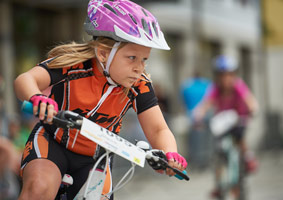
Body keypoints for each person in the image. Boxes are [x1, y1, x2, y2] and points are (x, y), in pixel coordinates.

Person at [14, 1, 187, 199]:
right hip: (53, 143)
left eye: (144, 60)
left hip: (95, 159)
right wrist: (36, 97)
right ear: (104, 53)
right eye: (132, 58)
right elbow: (25, 79)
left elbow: (158, 129)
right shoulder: (74, 65)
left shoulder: (139, 84)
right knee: (39, 188)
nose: (139, 68)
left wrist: (170, 154)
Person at [193, 55, 258, 198]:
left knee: (240, 138)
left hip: (238, 120)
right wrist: (198, 116)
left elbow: (250, 100)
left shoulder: (238, 86)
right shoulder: (215, 89)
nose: (226, 79)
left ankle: (248, 157)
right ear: (218, 77)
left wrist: (252, 109)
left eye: (229, 75)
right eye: (222, 76)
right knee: (218, 151)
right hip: (222, 123)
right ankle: (218, 184)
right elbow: (205, 104)